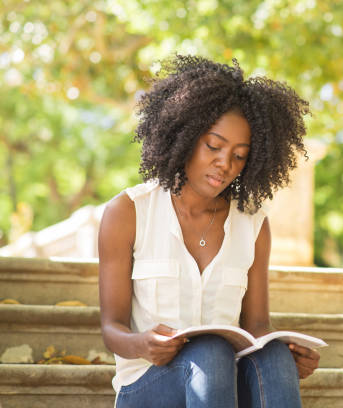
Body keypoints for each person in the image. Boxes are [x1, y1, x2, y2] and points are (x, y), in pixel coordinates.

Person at [98, 55, 319, 408]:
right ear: (184, 135)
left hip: (223, 387)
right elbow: (112, 328)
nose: (225, 164)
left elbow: (257, 325)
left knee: (274, 356)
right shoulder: (128, 212)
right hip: (147, 386)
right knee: (210, 352)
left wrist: (293, 357)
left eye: (240, 155)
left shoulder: (253, 225)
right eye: (214, 146)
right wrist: (143, 344)